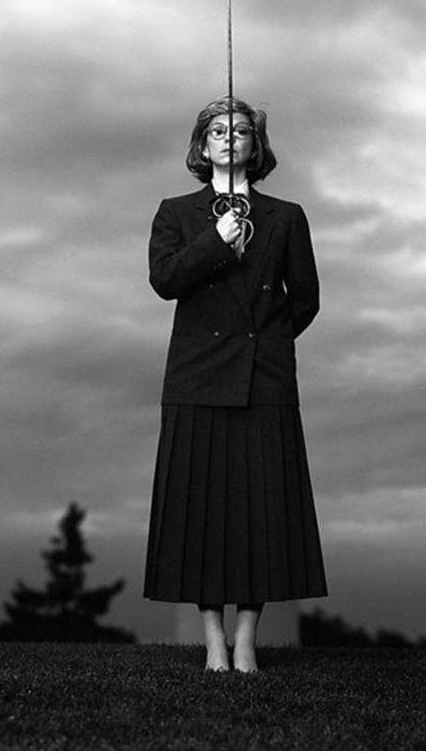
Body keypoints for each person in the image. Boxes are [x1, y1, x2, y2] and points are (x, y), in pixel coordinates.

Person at [143, 96, 327, 673]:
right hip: (196, 376)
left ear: (255, 146)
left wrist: (266, 342)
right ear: (202, 146)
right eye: (217, 131)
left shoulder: (287, 216)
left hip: (264, 378)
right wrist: (215, 242)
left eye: (240, 130)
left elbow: (306, 298)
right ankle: (213, 641)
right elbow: (165, 280)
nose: (229, 138)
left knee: (260, 509)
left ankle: (246, 639)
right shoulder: (175, 213)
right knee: (202, 508)